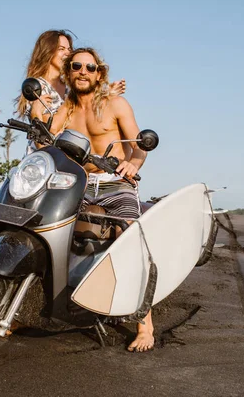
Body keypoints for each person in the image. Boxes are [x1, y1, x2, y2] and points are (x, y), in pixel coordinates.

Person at [58, 47, 154, 352]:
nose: (83, 72)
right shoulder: (67, 110)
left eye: (90, 67)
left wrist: (133, 164)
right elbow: (44, 139)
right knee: (49, 230)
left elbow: (140, 145)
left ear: (100, 73)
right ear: (69, 72)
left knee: (132, 237)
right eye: (76, 66)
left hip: (115, 184)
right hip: (80, 185)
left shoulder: (115, 104)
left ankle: (145, 324)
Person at [15, 30, 125, 126]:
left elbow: (86, 111)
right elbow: (45, 131)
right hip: (46, 149)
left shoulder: (69, 87)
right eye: (61, 49)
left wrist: (107, 94)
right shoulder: (37, 87)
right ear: (47, 52)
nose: (68, 53)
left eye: (69, 49)